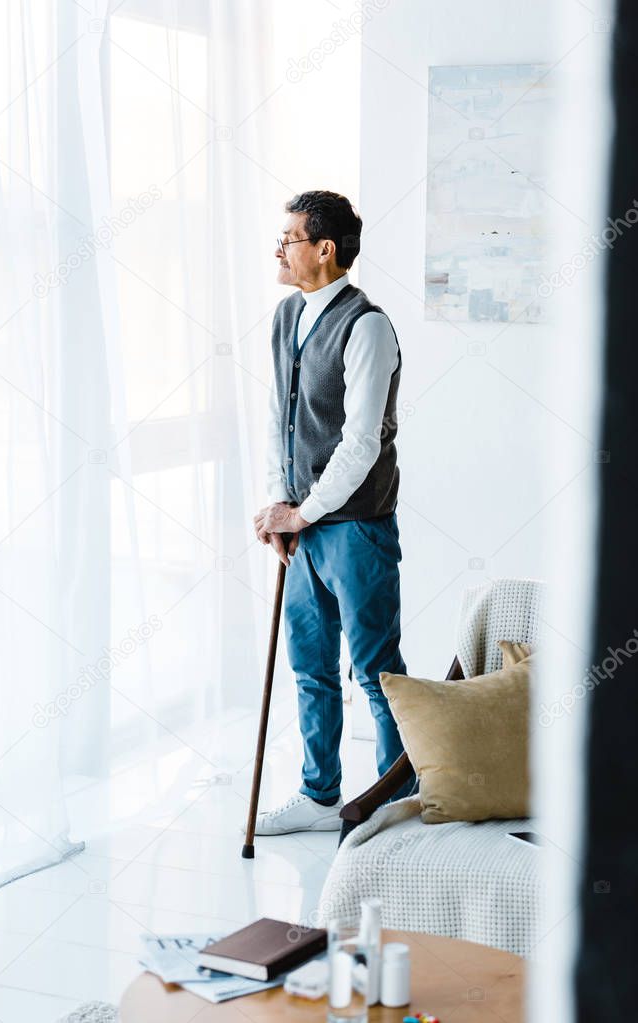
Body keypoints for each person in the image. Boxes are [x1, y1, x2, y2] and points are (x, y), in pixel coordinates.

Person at [250, 190, 413, 835]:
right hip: (302, 522)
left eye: (290, 238)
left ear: (325, 249)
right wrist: (279, 503)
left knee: (376, 672)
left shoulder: (367, 325)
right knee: (310, 668)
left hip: (356, 527)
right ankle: (320, 797)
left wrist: (307, 511)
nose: (280, 248)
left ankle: (393, 803)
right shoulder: (286, 316)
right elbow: (278, 419)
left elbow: (361, 442)